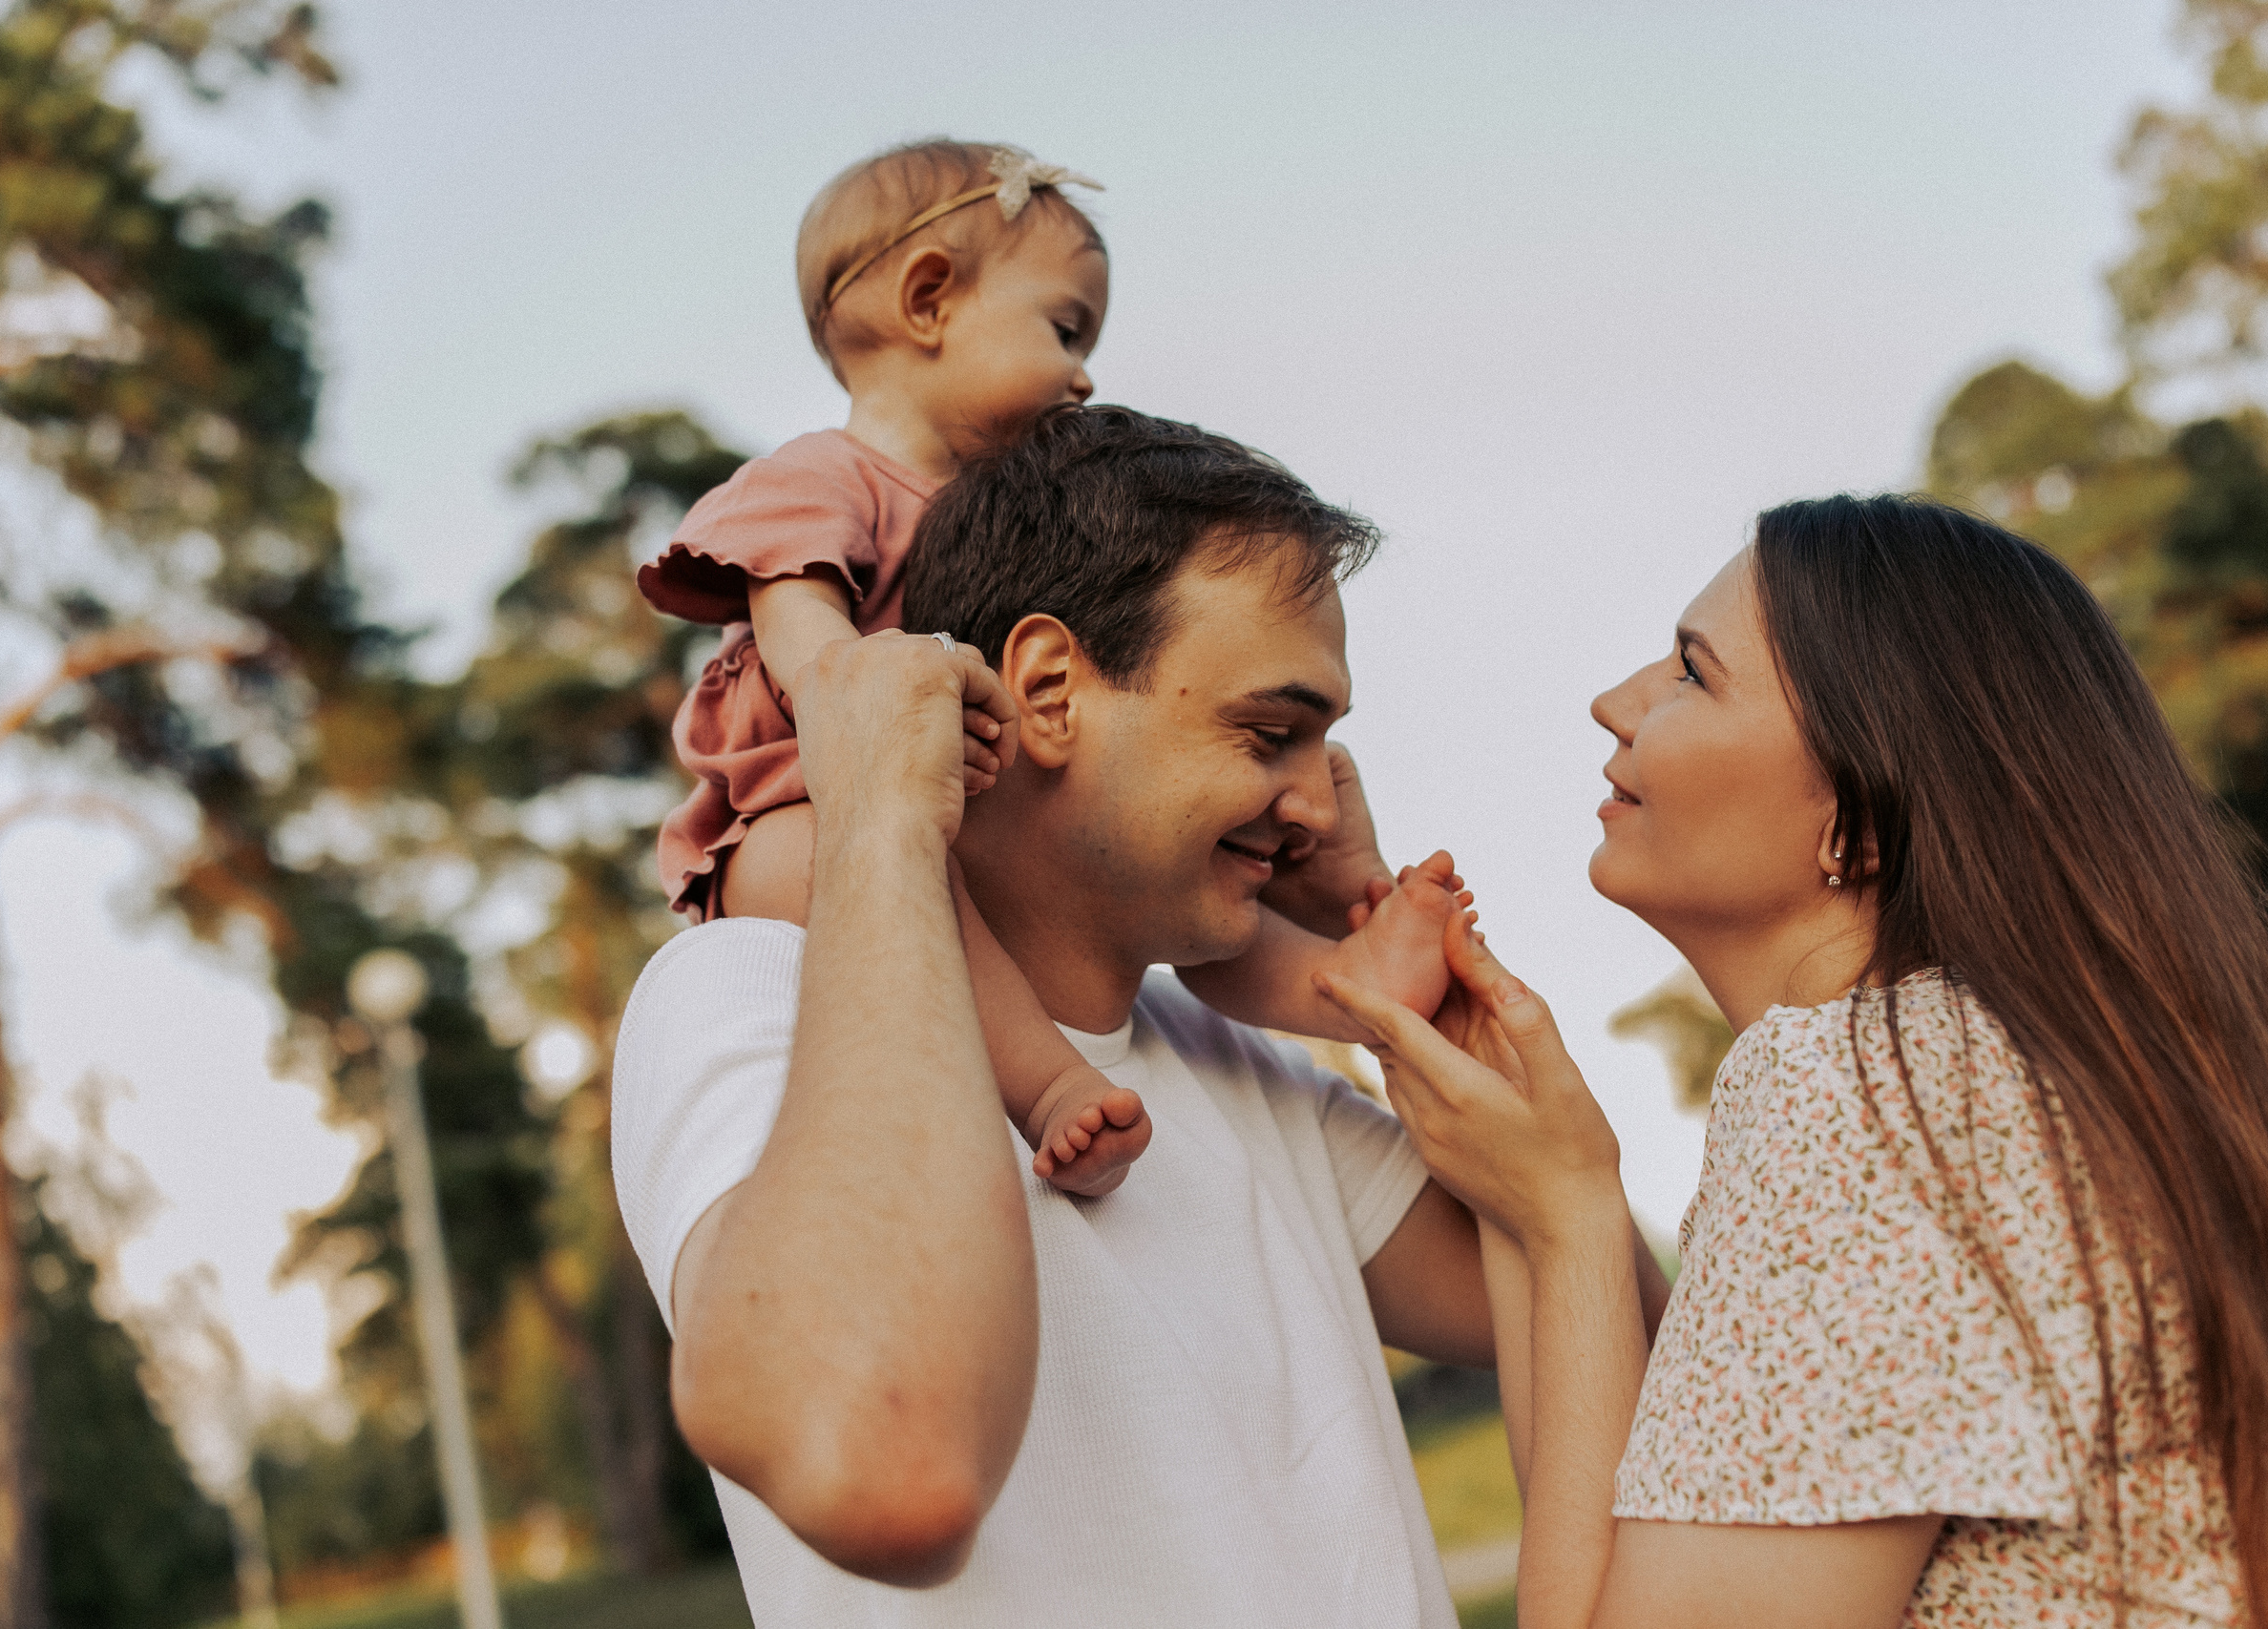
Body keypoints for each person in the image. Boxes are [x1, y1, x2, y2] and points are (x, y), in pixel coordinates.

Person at [1321, 495, 2268, 1628]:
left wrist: (1559, 1215)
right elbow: (1654, 1491)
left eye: (1693, 675)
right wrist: (1532, 1193)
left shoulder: (1871, 1094)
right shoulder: (1976, 1073)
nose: (1614, 704)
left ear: (1861, 818)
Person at [612, 406, 1574, 1626]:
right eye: (1272, 732)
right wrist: (886, 818)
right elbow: (887, 1468)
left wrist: (1394, 966)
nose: (1319, 812)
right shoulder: (742, 995)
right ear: (1049, 690)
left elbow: (1590, 1290)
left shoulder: (1236, 1067)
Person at [638, 139, 1459, 1195]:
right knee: (917, 880)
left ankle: (1343, 985)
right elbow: (811, 648)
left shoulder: (1004, 520)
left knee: (1183, 873)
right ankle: (1047, 1087)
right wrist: (869, 702)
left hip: (943, 798)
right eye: (1064, 328)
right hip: (798, 812)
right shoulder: (823, 478)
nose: (1082, 373)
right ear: (930, 299)